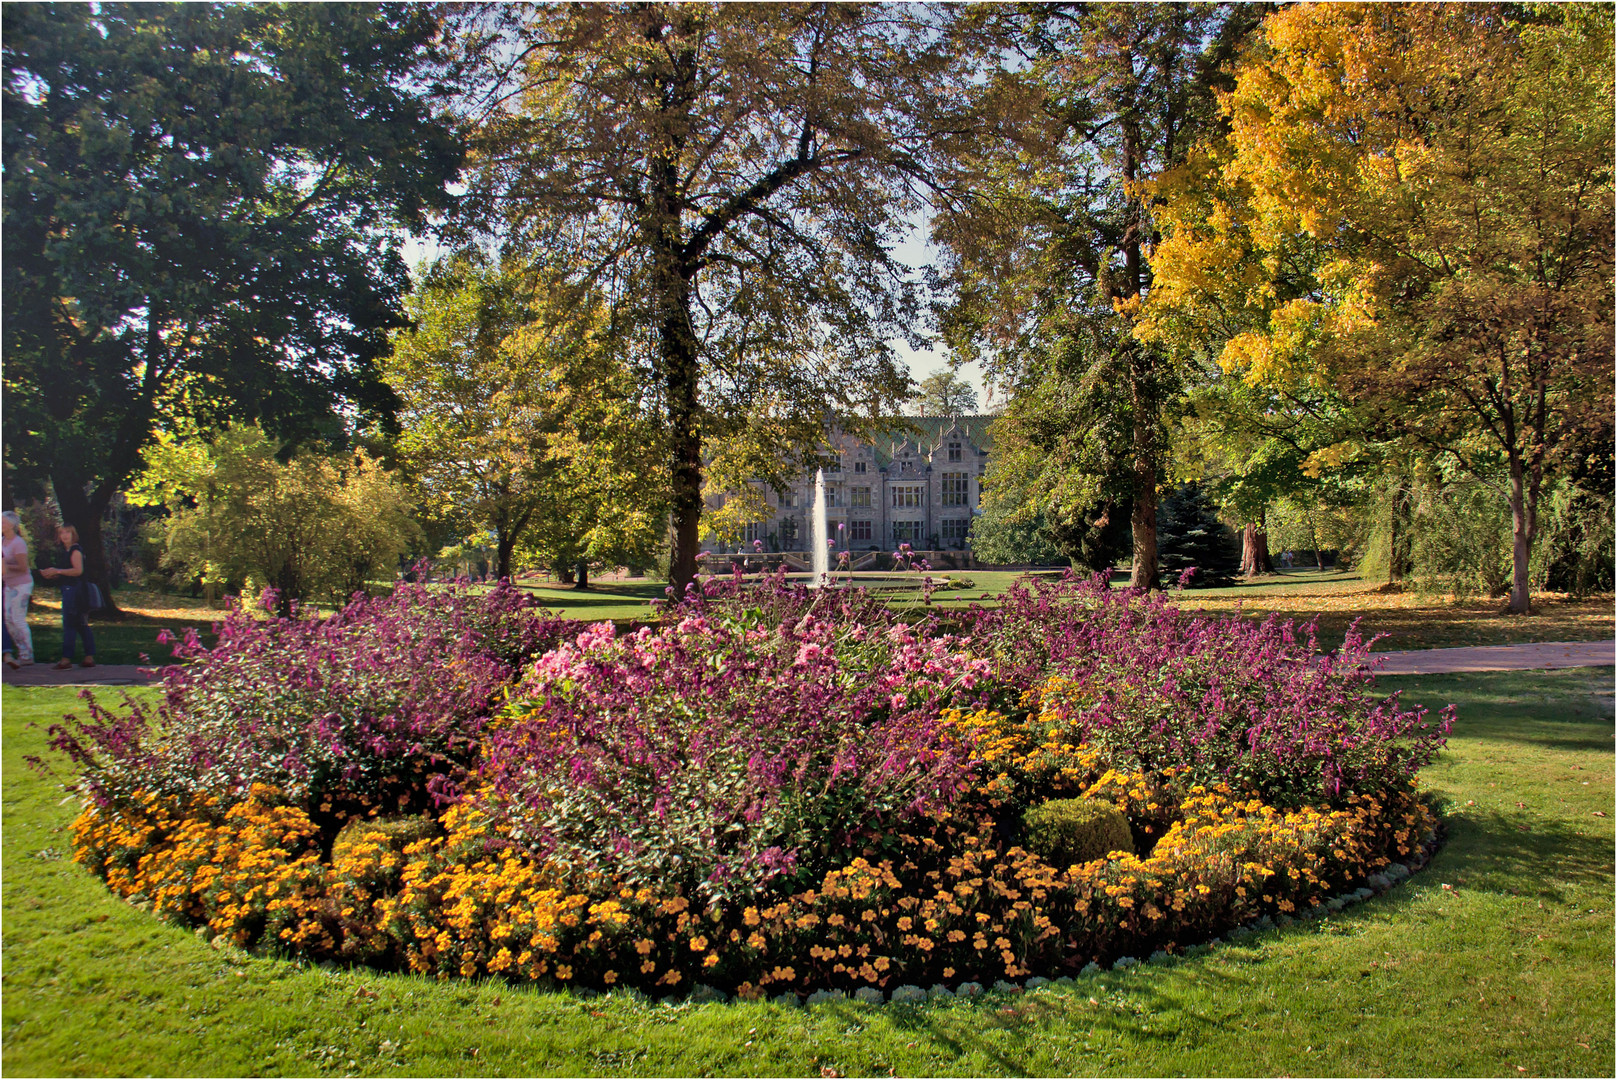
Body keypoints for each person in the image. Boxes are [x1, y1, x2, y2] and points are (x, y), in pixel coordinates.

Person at [39, 524, 94, 669]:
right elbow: (65, 571)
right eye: (61, 533)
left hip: (74, 590)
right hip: (69, 587)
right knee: (80, 623)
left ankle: (66, 658)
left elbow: (77, 571)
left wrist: (57, 571)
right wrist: (52, 574)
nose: (64, 535)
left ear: (73, 534)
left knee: (70, 623)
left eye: (67, 532)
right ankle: (89, 656)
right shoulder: (65, 551)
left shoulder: (75, 550)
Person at [2, 511, 34, 668]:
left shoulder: (18, 543)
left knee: (18, 619)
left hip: (22, 585)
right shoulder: (2, 542)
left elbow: (23, 567)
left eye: (3, 522)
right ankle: (21, 651)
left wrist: (5, 567)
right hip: (9, 585)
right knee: (8, 619)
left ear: (12, 525)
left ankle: (27, 654)